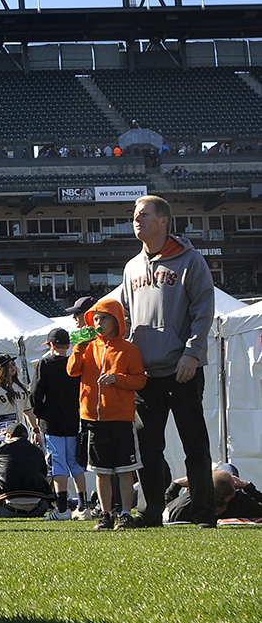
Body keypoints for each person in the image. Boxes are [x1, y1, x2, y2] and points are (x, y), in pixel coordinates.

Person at [122, 195, 217, 527]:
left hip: (182, 369)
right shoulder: (132, 266)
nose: (137, 220)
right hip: (146, 374)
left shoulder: (191, 260)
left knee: (195, 444)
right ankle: (149, 513)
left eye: (144, 215)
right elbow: (127, 319)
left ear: (163, 221)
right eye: (135, 215)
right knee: (148, 447)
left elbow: (203, 311)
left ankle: (204, 513)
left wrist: (192, 353)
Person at [67, 296, 147, 530]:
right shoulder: (88, 346)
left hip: (121, 418)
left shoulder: (129, 349)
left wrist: (117, 379)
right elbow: (72, 371)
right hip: (93, 419)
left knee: (124, 470)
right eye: (95, 319)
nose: (97, 323)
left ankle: (124, 512)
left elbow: (141, 380)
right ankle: (105, 513)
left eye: (102, 318)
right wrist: (79, 347)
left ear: (116, 321)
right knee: (101, 471)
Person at [29, 327, 92, 520]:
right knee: (76, 463)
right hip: (73, 418)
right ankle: (83, 507)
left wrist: (38, 416)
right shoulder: (76, 363)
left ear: (52, 345)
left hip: (52, 420)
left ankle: (63, 508)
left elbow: (36, 394)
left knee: (57, 465)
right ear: (68, 345)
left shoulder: (45, 364)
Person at [0, 353, 35, 442]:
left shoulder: (20, 387)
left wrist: (35, 430)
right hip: (1, 433)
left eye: (13, 364)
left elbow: (28, 411)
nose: (12, 367)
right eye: (8, 366)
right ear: (1, 369)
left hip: (19, 431)